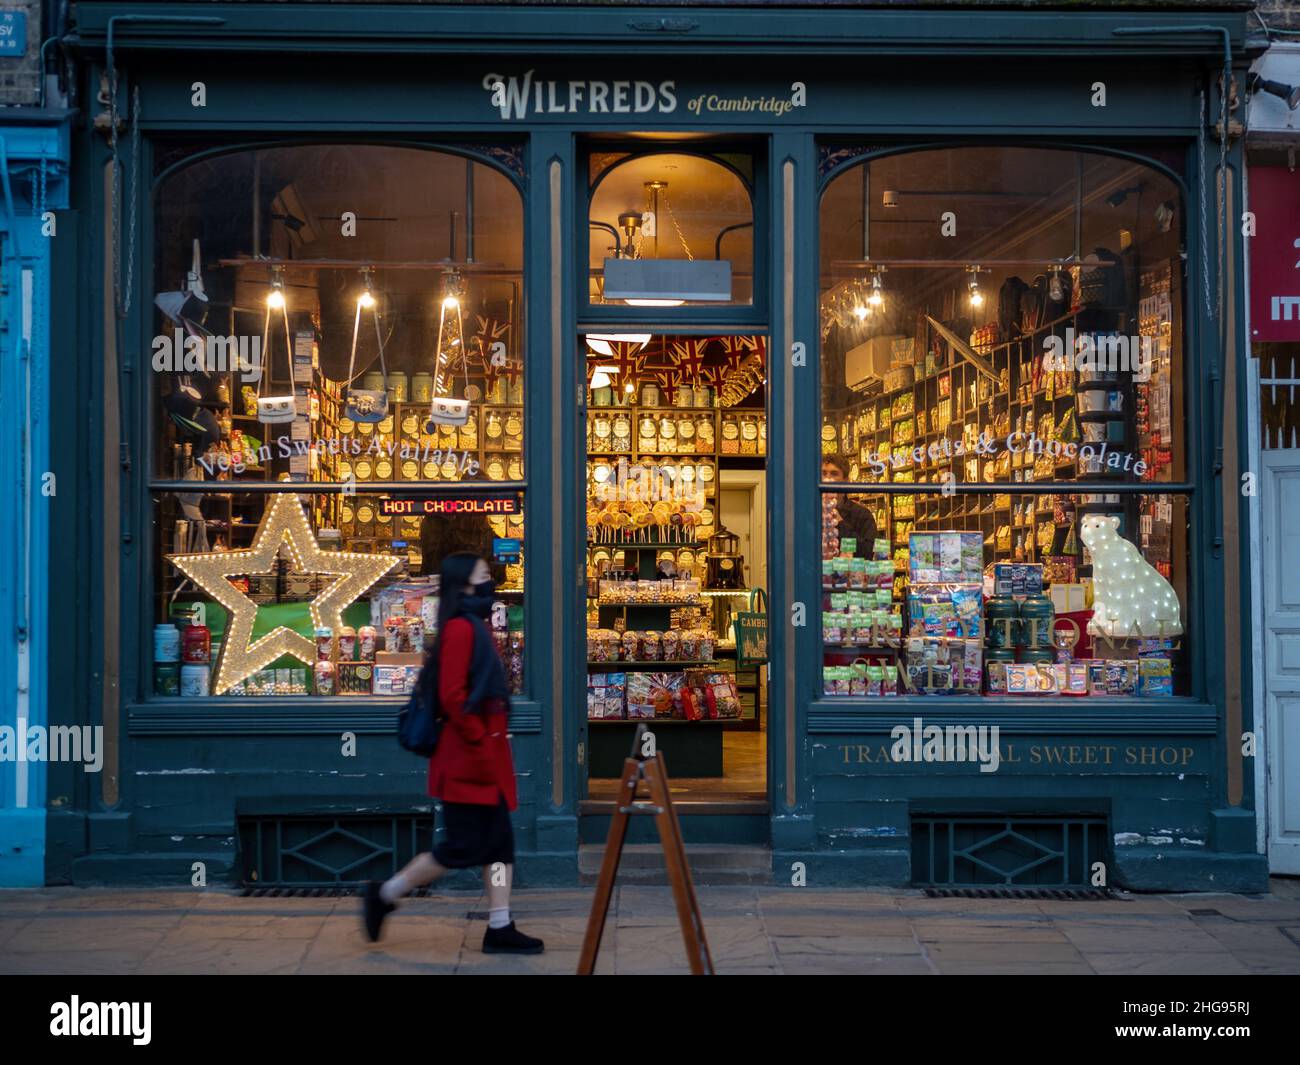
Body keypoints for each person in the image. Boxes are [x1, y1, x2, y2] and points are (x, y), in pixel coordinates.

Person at [363, 552, 543, 955]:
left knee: (499, 845)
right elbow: (452, 695)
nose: (489, 582)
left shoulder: (472, 625)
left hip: (482, 756)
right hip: (467, 760)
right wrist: (480, 737)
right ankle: (385, 893)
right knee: (460, 849)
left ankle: (500, 925)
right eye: (483, 576)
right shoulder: (462, 630)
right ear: (464, 585)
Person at [821, 456, 879, 558]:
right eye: (824, 473)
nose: (827, 478)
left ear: (846, 481)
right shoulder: (810, 512)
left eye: (834, 474)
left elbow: (868, 553)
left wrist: (840, 522)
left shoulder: (861, 515)